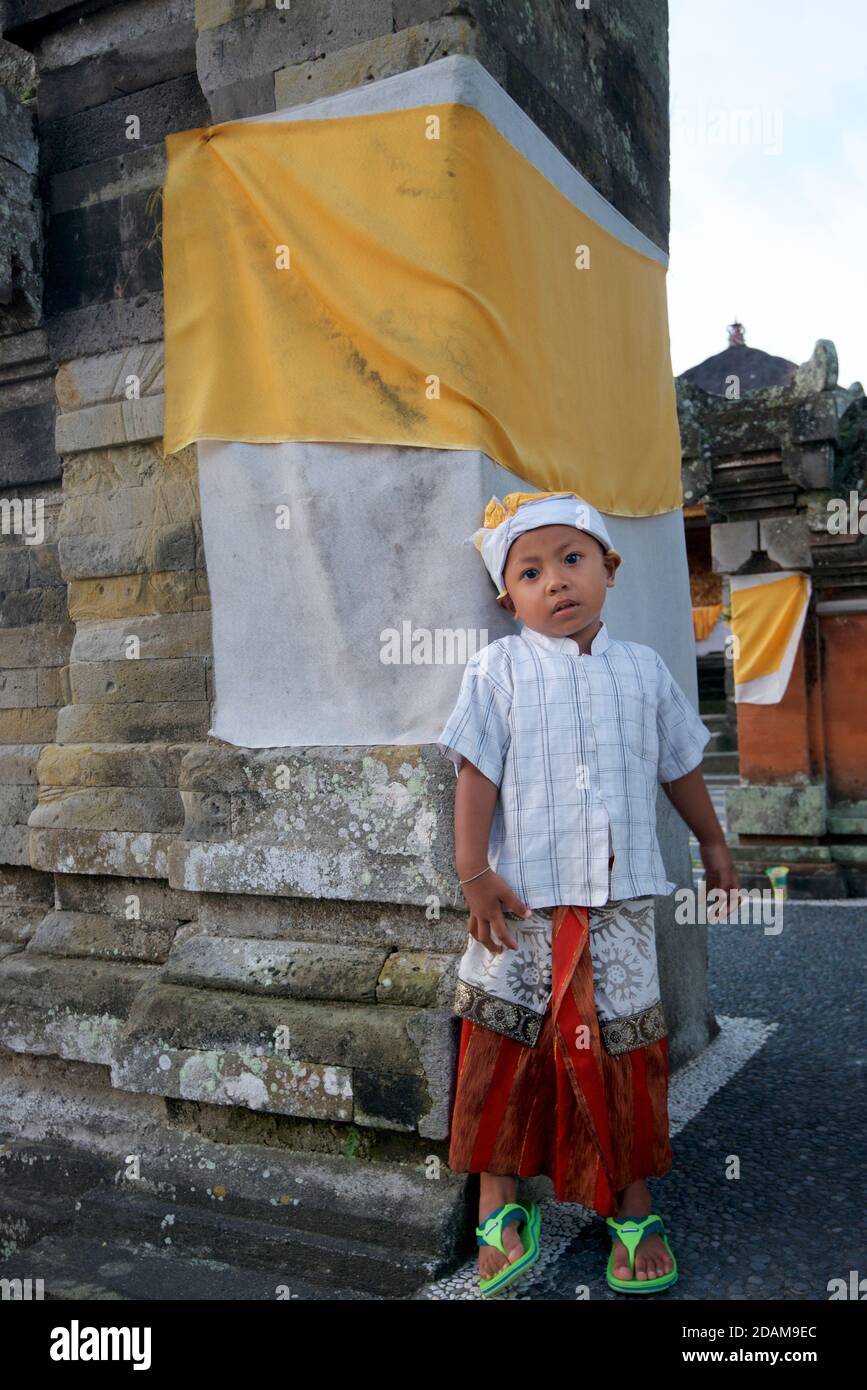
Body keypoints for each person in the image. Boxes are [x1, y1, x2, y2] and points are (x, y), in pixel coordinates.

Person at [436, 490, 741, 1297]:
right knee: (503, 1048)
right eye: (530, 572)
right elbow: (476, 774)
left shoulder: (642, 671)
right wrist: (472, 871)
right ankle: (499, 1203)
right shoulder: (497, 668)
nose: (555, 583)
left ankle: (629, 1203)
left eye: (571, 560)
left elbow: (678, 765)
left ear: (607, 569)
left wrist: (712, 844)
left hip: (618, 908)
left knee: (622, 1052)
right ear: (510, 599)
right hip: (520, 907)